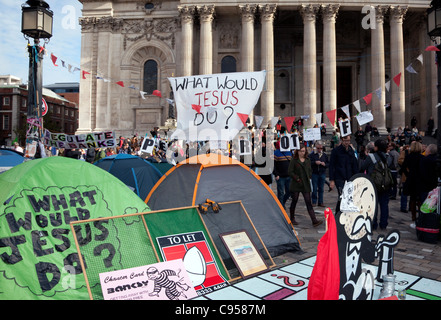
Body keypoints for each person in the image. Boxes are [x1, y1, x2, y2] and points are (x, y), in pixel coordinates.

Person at [359, 138, 393, 230]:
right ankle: (383, 224)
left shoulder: (371, 157)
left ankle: (373, 224)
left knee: (373, 205)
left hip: (374, 184)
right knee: (384, 205)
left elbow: (362, 167)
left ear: (376, 147)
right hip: (385, 183)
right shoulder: (388, 156)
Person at [288, 145, 323, 227]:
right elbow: (290, 171)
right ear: (297, 151)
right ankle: (292, 218)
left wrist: (309, 175)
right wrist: (297, 178)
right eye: (300, 151)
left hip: (305, 183)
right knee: (294, 200)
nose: (302, 152)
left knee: (308, 201)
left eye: (303, 151)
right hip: (296, 183)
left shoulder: (307, 160)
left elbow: (309, 169)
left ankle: (314, 220)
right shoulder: (294, 160)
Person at [329, 135, 359, 211]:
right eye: (345, 140)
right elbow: (331, 165)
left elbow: (354, 164)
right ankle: (338, 214)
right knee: (342, 196)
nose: (347, 142)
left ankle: (343, 214)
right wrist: (332, 180)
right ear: (342, 140)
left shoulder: (350, 150)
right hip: (339, 177)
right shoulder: (336, 151)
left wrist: (356, 177)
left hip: (349, 177)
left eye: (348, 141)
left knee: (347, 197)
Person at [400, 141, 424, 221]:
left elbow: (403, 167)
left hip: (411, 178)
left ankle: (413, 216)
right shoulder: (422, 157)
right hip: (420, 179)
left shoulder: (409, 156)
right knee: (420, 198)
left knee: (413, 198)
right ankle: (420, 215)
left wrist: (408, 174)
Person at [309, 141, 329, 207]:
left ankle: (321, 202)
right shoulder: (312, 155)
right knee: (314, 189)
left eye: (321, 148)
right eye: (318, 148)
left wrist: (324, 164)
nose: (319, 150)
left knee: (321, 188)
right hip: (315, 173)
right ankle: (314, 201)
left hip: (322, 173)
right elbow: (309, 163)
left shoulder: (324, 155)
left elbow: (328, 164)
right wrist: (315, 162)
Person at [273, 142, 292, 209]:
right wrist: (276, 174)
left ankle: (282, 202)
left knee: (289, 191)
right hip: (280, 176)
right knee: (280, 192)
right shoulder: (276, 153)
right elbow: (273, 165)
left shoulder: (289, 152)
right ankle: (281, 206)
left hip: (288, 176)